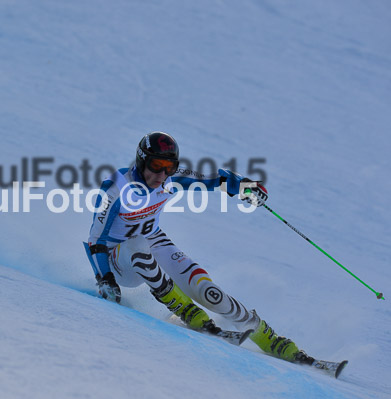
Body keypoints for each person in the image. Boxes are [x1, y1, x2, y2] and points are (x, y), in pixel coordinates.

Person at [84, 131, 312, 363]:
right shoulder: (116, 187)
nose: (162, 174)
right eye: (156, 165)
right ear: (142, 160)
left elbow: (216, 179)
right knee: (138, 243)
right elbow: (95, 240)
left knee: (207, 291)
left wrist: (246, 187)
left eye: (169, 167)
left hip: (152, 240)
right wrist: (106, 280)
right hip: (117, 258)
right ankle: (189, 313)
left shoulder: (170, 179)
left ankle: (269, 337)